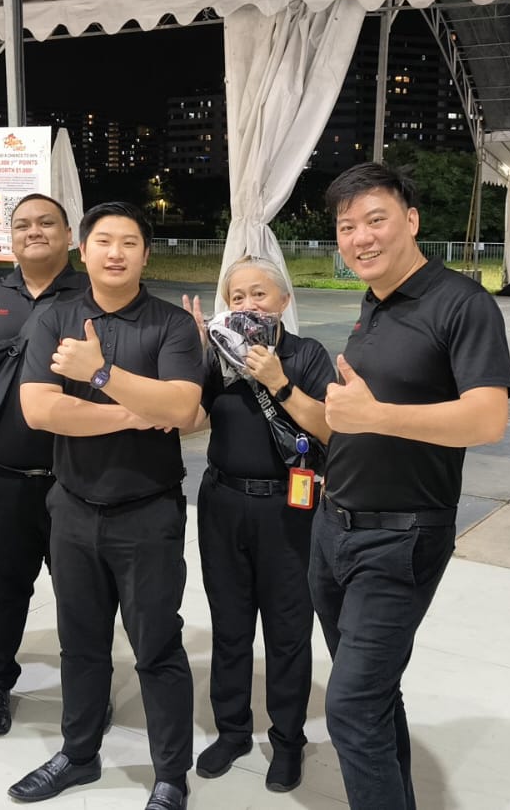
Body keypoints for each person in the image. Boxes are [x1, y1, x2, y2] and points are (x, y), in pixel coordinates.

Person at [316, 163, 510, 809]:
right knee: (371, 697)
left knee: (349, 707)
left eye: (375, 220)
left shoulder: (461, 303)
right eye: (347, 226)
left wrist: (375, 416)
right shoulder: (375, 303)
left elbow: (487, 419)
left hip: (399, 538)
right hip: (332, 528)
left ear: (411, 220)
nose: (360, 238)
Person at [9, 201, 201, 810]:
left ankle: (170, 774)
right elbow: (39, 409)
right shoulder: (55, 317)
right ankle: (78, 753)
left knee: (157, 646)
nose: (115, 253)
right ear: (83, 249)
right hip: (71, 508)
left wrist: (98, 374)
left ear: (146, 254)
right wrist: (138, 411)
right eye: (104, 241)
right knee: (81, 642)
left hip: (148, 512)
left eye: (129, 242)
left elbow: (183, 408)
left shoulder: (172, 324)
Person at [180, 256, 334, 792]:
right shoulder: (217, 355)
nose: (248, 305)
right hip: (222, 502)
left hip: (287, 508)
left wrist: (279, 381)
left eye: (260, 294)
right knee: (230, 625)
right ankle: (232, 730)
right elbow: (188, 420)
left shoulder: (306, 354)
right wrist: (192, 354)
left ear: (284, 301)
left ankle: (288, 741)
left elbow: (331, 429)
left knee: (288, 631)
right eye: (237, 297)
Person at [0, 194, 88, 736]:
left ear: (69, 235)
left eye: (47, 222)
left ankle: (87, 690)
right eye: (22, 224)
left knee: (83, 597)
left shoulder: (98, 297)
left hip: (78, 482)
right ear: (8, 238)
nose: (34, 231)